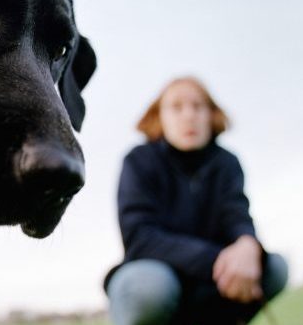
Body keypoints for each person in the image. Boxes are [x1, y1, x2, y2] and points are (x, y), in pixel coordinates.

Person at [105, 77, 288, 325]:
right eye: (177, 107)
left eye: (198, 106)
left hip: (209, 285)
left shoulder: (227, 162)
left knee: (275, 267)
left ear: (211, 115)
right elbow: (140, 236)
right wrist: (219, 261)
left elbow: (236, 215)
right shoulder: (138, 161)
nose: (189, 115)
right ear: (160, 117)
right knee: (149, 289)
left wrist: (248, 245)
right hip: (161, 277)